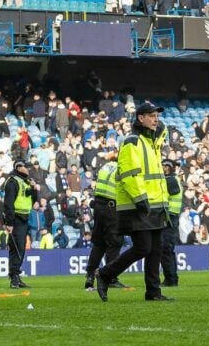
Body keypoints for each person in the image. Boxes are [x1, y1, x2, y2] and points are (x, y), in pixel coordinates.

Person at [95, 102, 172, 302]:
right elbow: (130, 174)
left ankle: (153, 292)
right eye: (152, 115)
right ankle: (104, 274)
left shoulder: (150, 142)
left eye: (157, 115)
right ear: (140, 118)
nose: (156, 119)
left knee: (155, 249)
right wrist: (140, 199)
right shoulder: (133, 141)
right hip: (140, 204)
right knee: (143, 248)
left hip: (155, 204)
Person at [84, 150, 125, 291]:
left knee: (99, 243)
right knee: (114, 243)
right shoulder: (121, 168)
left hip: (99, 207)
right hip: (111, 208)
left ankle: (90, 276)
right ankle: (110, 277)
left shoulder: (105, 167)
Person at [3, 160, 36, 289]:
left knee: (20, 249)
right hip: (16, 219)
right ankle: (14, 278)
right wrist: (9, 222)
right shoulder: (13, 182)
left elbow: (33, 200)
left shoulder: (25, 181)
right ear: (19, 168)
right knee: (17, 249)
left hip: (24, 218)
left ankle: (16, 276)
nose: (28, 169)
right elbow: (8, 204)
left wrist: (33, 189)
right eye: (26, 166)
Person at [160, 159, 182, 287]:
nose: (165, 168)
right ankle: (171, 278)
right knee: (166, 249)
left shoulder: (170, 180)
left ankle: (171, 278)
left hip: (169, 217)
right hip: (170, 217)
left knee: (166, 249)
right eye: (163, 166)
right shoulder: (172, 179)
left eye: (167, 166)